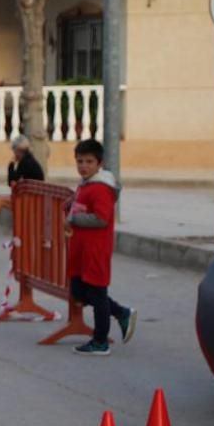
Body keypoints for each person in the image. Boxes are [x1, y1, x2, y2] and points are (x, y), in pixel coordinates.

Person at [65, 139, 137, 355]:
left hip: (95, 250)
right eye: (80, 161)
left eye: (89, 161)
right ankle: (121, 312)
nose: (83, 166)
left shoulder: (101, 188)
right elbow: (82, 205)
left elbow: (101, 218)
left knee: (96, 294)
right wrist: (71, 204)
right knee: (78, 291)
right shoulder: (86, 184)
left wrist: (74, 219)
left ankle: (100, 341)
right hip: (82, 249)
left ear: (99, 163)